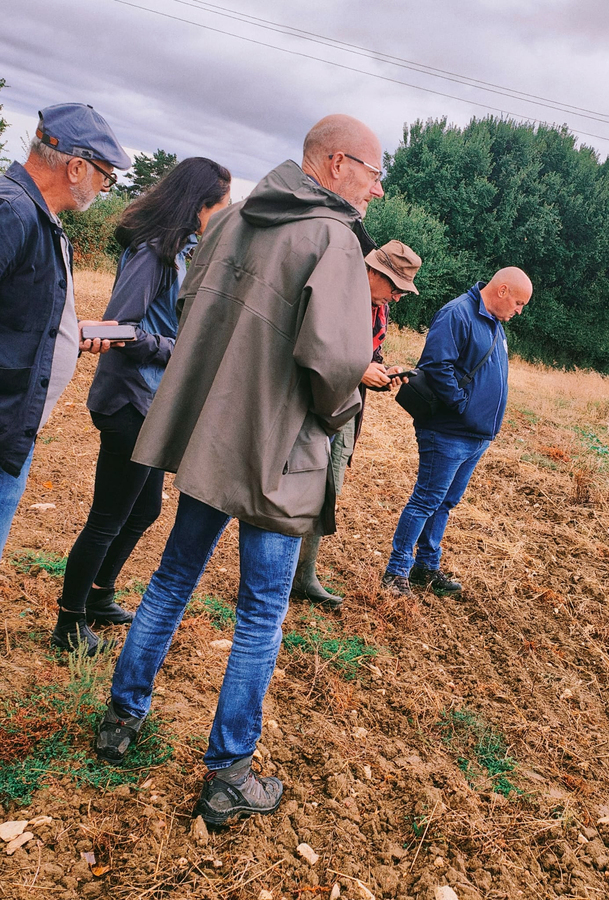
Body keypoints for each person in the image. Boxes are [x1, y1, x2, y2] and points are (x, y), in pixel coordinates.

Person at [95, 114, 383, 827]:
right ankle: (228, 777)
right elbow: (335, 364)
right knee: (259, 612)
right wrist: (343, 407)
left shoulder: (230, 222)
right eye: (375, 173)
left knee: (170, 579)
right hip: (278, 455)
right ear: (337, 163)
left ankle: (119, 721)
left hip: (209, 435)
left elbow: (194, 310)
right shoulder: (334, 240)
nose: (377, 189)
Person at [53, 158, 232, 655]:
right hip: (129, 401)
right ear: (199, 206)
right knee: (108, 516)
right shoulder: (153, 253)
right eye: (222, 205)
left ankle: (99, 596)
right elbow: (119, 326)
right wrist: (181, 348)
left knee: (145, 509)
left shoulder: (180, 252)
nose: (225, 214)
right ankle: (68, 625)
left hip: (153, 402)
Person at [0, 103, 132, 558]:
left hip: (13, 428)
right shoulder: (12, 212)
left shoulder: (42, 220)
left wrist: (70, 335)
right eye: (105, 174)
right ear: (76, 166)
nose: (105, 186)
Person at [381, 268, 532, 597]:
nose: (519, 310)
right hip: (449, 432)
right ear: (502, 290)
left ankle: (426, 568)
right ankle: (396, 572)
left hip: (475, 437)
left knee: (445, 503)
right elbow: (437, 366)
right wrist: (462, 406)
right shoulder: (457, 313)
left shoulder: (493, 323)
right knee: (426, 500)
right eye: (519, 302)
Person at [291, 240, 422, 609]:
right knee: (298, 489)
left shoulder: (377, 310)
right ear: (373, 271)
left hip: (346, 410)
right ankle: (282, 576)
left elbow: (368, 357)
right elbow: (310, 348)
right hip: (312, 410)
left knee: (327, 490)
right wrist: (358, 370)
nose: (396, 298)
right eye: (394, 287)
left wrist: (384, 371)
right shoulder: (335, 294)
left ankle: (303, 576)